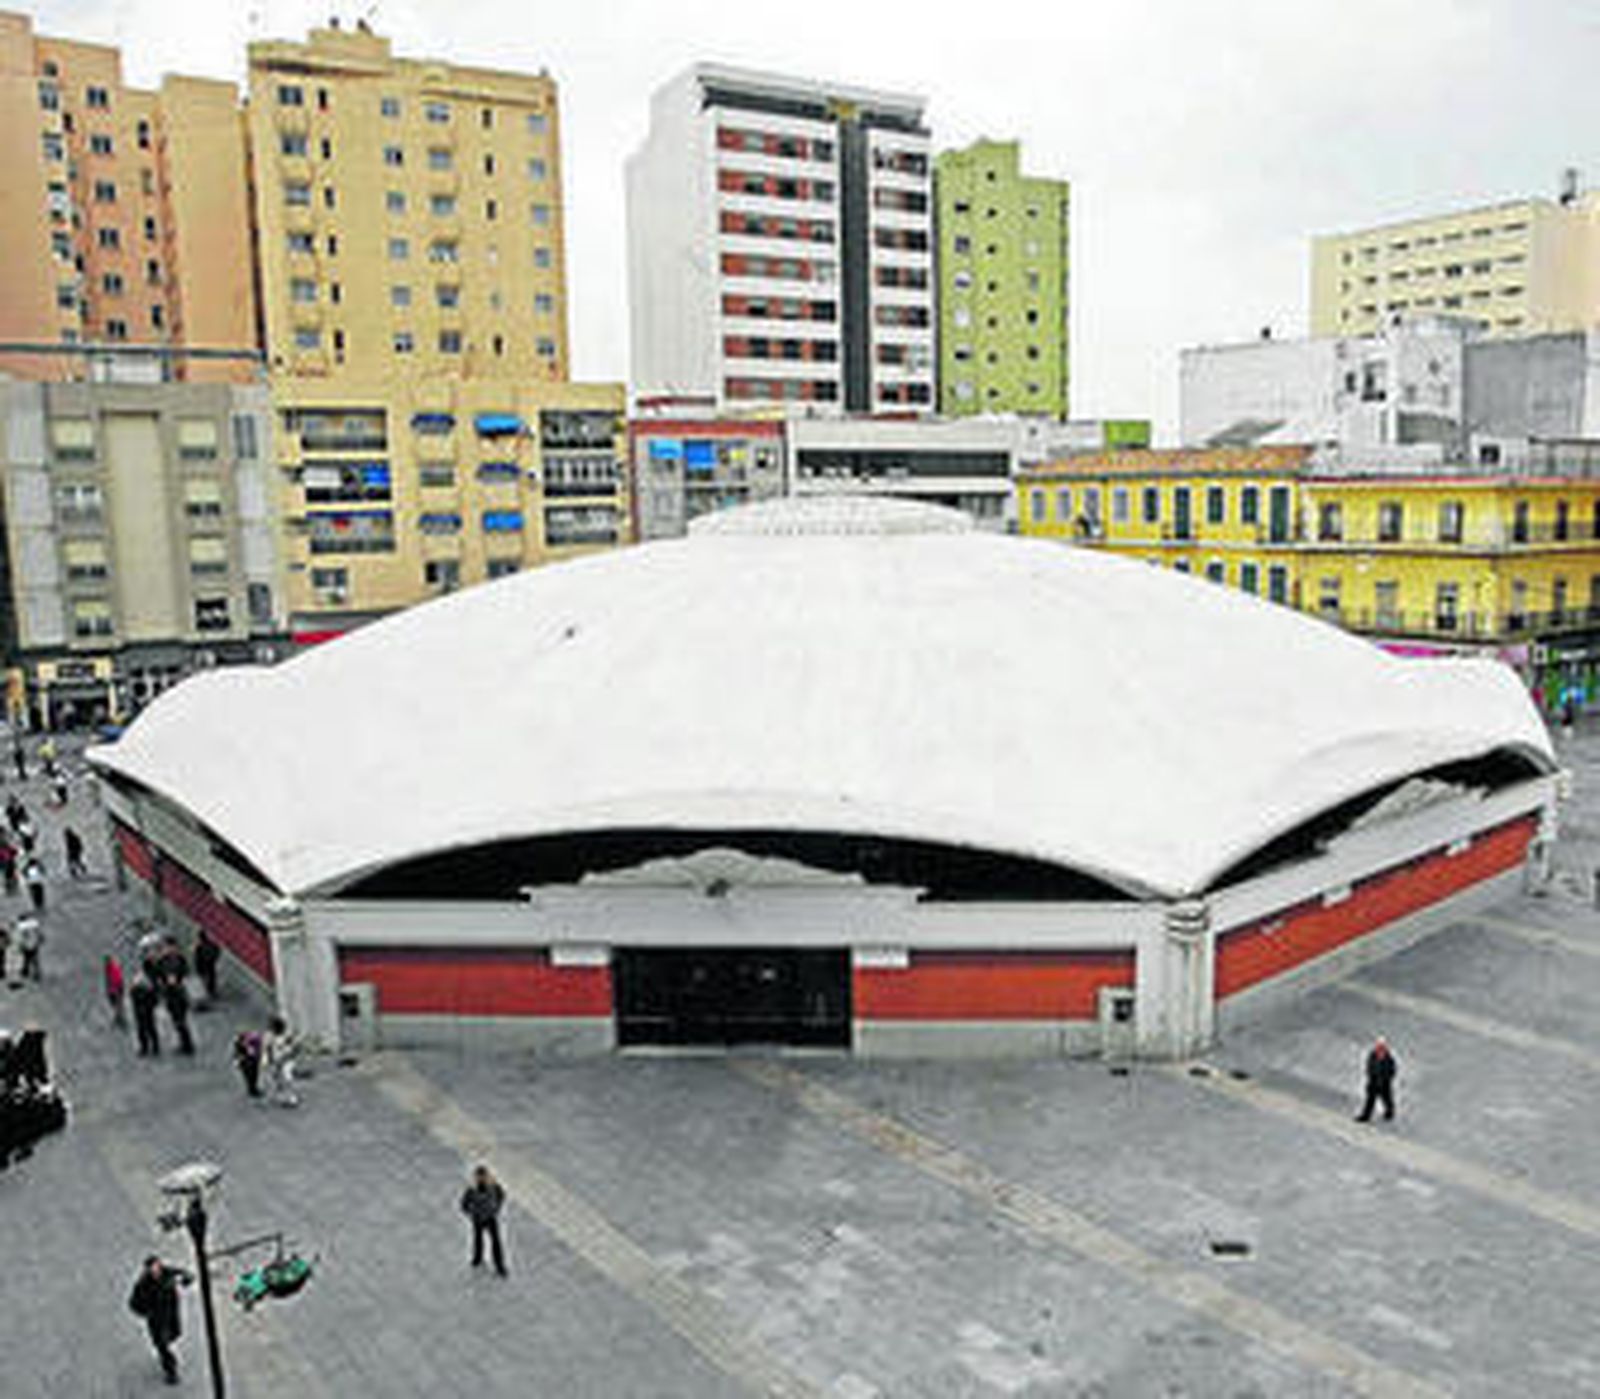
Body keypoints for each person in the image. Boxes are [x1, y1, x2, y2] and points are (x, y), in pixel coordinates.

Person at [127, 1255, 192, 1385]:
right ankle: (171, 1371)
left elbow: (186, 1276)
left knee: (171, 1337)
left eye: (157, 1266)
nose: (156, 1270)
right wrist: (146, 1310)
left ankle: (169, 1360)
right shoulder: (143, 1285)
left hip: (170, 1315)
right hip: (156, 1321)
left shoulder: (168, 1273)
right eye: (152, 1268)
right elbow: (134, 1304)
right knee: (161, 1346)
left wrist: (186, 1279)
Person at [460, 1164, 509, 1276]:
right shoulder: (472, 1189)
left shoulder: (493, 1186)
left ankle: (499, 1265)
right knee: (478, 1240)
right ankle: (477, 1258)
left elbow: (501, 1195)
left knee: (496, 1242)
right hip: (477, 1218)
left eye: (483, 1176)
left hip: (491, 1217)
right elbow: (464, 1204)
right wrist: (472, 1213)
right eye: (479, 1176)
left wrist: (496, 1208)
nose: (481, 1179)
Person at [1356, 1037, 1398, 1122]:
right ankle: (1365, 1116)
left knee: (1386, 1099)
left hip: (1384, 1083)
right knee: (1370, 1100)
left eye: (1382, 1047)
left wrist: (1387, 1078)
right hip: (1374, 1082)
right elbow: (1369, 1066)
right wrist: (1371, 1076)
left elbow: (1392, 1070)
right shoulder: (1372, 1055)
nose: (1380, 1048)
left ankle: (1389, 1112)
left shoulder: (1389, 1058)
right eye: (1379, 1046)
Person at [262, 1016, 299, 1107]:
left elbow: (293, 1048)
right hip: (275, 1061)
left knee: (287, 1077)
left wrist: (288, 1055)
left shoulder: (287, 1035)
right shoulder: (268, 1036)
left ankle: (291, 1098)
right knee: (275, 1079)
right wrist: (267, 1062)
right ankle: (279, 1096)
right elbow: (266, 1049)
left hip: (286, 1060)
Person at [130, 974, 161, 1056]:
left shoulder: (137, 991)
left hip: (144, 1012)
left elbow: (154, 1001)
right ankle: (152, 1047)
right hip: (145, 1012)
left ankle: (148, 1047)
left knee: (146, 1029)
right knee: (147, 1029)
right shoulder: (140, 991)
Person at [163, 974, 194, 1056]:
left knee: (181, 1027)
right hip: (176, 1011)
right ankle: (185, 1045)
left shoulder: (177, 991)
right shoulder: (175, 990)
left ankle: (187, 1046)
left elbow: (181, 1002)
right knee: (180, 1028)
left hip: (178, 1011)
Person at [232, 1029, 263, 1098]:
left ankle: (252, 1088)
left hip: (252, 1060)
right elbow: (237, 1053)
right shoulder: (239, 1042)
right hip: (247, 1060)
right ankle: (251, 1088)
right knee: (249, 1075)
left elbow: (256, 1051)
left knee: (253, 1075)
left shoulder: (254, 1039)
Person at [193, 930, 220, 1005]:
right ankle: (211, 992)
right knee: (211, 979)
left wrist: (197, 967)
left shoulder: (199, 946)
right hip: (210, 965)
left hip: (203, 966)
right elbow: (217, 952)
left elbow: (197, 958)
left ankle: (207, 994)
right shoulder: (212, 945)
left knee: (205, 980)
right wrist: (213, 960)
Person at [15, 912, 41, 981]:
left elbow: (22, 937)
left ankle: (26, 971)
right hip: (34, 944)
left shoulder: (22, 927)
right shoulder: (33, 924)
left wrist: (20, 945)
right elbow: (38, 934)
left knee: (27, 958)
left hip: (27, 945)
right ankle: (31, 972)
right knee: (33, 959)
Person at [104, 953, 127, 1029]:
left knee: (117, 1002)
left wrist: (114, 989)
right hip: (113, 988)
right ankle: (119, 1016)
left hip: (116, 988)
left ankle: (119, 1017)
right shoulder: (108, 968)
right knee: (115, 1002)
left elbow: (116, 979)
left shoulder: (113, 968)